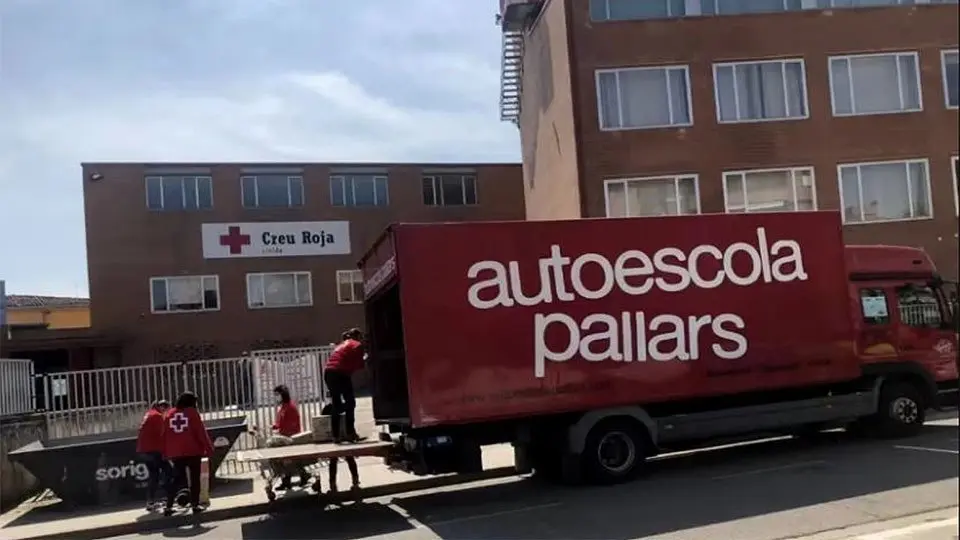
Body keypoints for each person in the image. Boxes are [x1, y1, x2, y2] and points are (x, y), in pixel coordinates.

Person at [162, 391, 213, 516]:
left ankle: (168, 506)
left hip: (176, 453)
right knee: (195, 479)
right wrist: (209, 448)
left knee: (175, 479)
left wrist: (165, 451)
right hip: (193, 451)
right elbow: (201, 432)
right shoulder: (192, 413)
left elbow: (164, 435)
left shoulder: (169, 414)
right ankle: (195, 505)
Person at [323, 328, 366, 444]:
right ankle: (350, 433)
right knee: (351, 403)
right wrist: (366, 358)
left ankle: (336, 436)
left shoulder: (341, 345)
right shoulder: (357, 345)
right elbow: (360, 366)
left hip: (329, 373)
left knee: (336, 404)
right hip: (340, 373)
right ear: (358, 337)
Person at [269, 384, 311, 489]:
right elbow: (279, 423)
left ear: (282, 394)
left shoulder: (290, 407)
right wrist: (275, 427)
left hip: (291, 437)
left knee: (286, 459)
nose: (276, 397)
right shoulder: (283, 407)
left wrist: (281, 432)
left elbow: (292, 425)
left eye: (277, 394)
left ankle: (297, 477)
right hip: (284, 436)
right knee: (283, 459)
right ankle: (291, 479)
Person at [136, 399, 172, 510]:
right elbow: (162, 434)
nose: (166, 413)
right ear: (162, 408)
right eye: (166, 410)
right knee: (169, 471)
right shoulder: (157, 416)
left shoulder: (149, 414)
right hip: (153, 451)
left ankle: (150, 502)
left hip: (144, 451)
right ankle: (169, 498)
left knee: (154, 476)